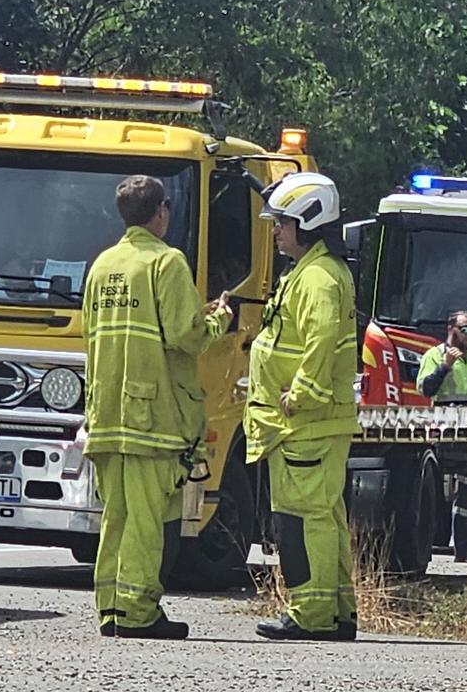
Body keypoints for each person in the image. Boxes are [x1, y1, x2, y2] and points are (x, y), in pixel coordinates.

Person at [83, 175, 233, 640]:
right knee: (150, 520)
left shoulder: (104, 264)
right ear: (160, 212)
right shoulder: (167, 263)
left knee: (117, 517)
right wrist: (218, 320)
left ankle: (111, 606)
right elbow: (185, 337)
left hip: (107, 414)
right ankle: (138, 612)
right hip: (152, 417)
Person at [245, 172, 359, 642]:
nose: (275, 231)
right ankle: (336, 611)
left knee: (300, 517)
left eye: (282, 222)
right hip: (307, 421)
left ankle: (311, 615)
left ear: (306, 222)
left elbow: (321, 342)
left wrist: (300, 395)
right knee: (322, 515)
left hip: (305, 421)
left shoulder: (317, 278)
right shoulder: (314, 272)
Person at [416, 311, 467, 563]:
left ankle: (464, 549)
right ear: (451, 328)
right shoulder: (435, 355)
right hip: (445, 431)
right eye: (465, 329)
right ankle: (431, 544)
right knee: (439, 492)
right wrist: (445, 366)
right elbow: (426, 389)